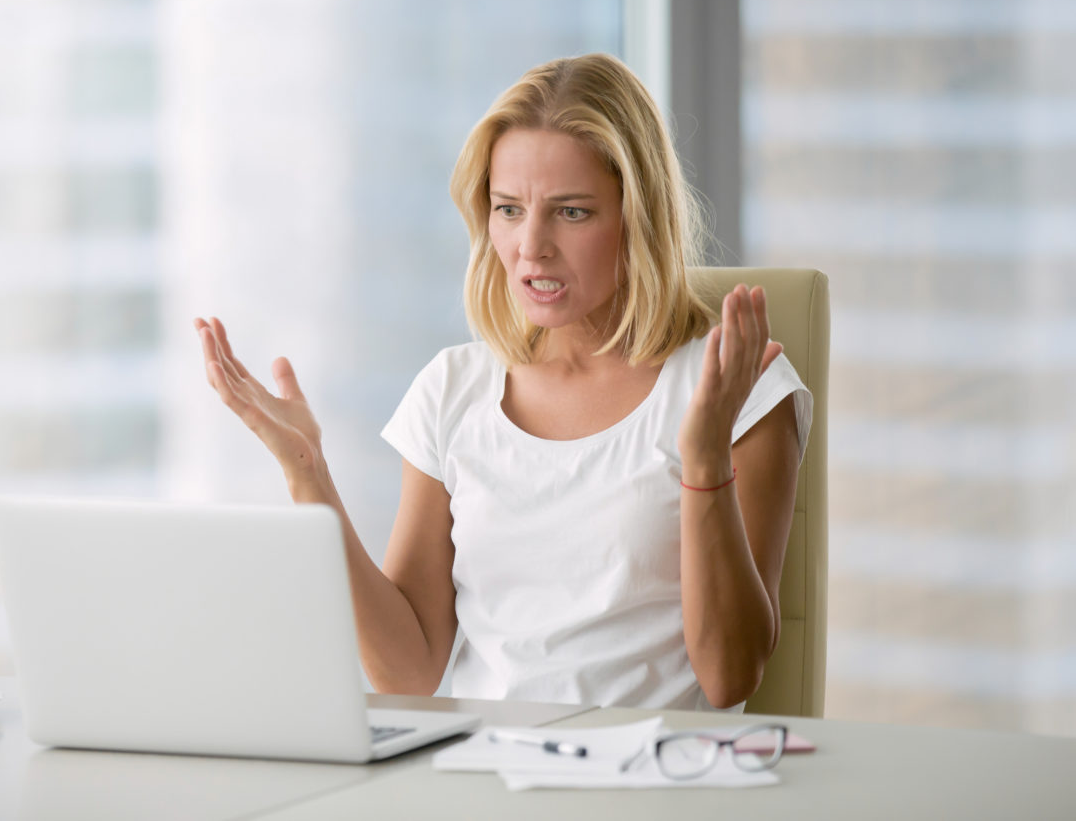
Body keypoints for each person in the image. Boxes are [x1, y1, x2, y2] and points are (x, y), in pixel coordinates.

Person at [194, 53, 810, 712]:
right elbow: (408, 673)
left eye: (572, 213)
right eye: (509, 209)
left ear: (639, 216)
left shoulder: (734, 386)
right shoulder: (453, 389)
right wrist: (308, 475)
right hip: (481, 775)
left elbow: (730, 676)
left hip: (649, 782)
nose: (531, 247)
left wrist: (706, 454)